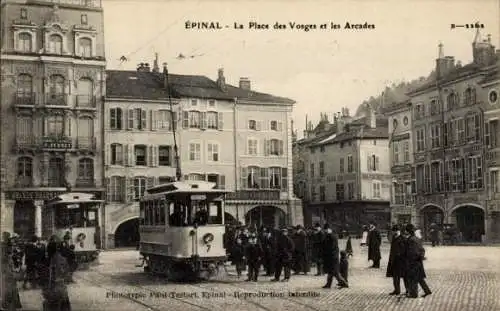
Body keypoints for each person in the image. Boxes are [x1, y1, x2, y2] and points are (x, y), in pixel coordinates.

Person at [405, 224, 432, 299]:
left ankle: (414, 294)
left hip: (413, 262)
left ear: (408, 231)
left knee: (413, 278)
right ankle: (427, 291)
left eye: (406, 231)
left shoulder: (411, 239)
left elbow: (412, 252)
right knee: (419, 277)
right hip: (418, 261)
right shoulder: (416, 238)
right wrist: (421, 257)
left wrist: (410, 260)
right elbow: (422, 249)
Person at [321, 224, 348, 289]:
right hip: (330, 257)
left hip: (333, 257)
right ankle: (328, 284)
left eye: (326, 229)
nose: (325, 231)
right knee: (330, 272)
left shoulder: (333, 236)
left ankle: (344, 283)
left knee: (335, 273)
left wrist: (327, 252)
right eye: (325, 230)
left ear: (329, 229)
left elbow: (332, 247)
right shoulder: (327, 236)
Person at [1, 234, 23, 311]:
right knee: (10, 286)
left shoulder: (3, 245)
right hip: (7, 269)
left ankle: (7, 303)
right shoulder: (6, 247)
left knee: (8, 286)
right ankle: (11, 303)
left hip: (6, 269)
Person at [386, 225, 408, 296]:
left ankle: (408, 290)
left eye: (396, 231)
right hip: (394, 260)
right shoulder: (394, 238)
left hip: (401, 260)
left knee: (404, 276)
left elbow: (404, 250)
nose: (394, 232)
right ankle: (397, 290)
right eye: (394, 231)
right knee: (395, 276)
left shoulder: (403, 238)